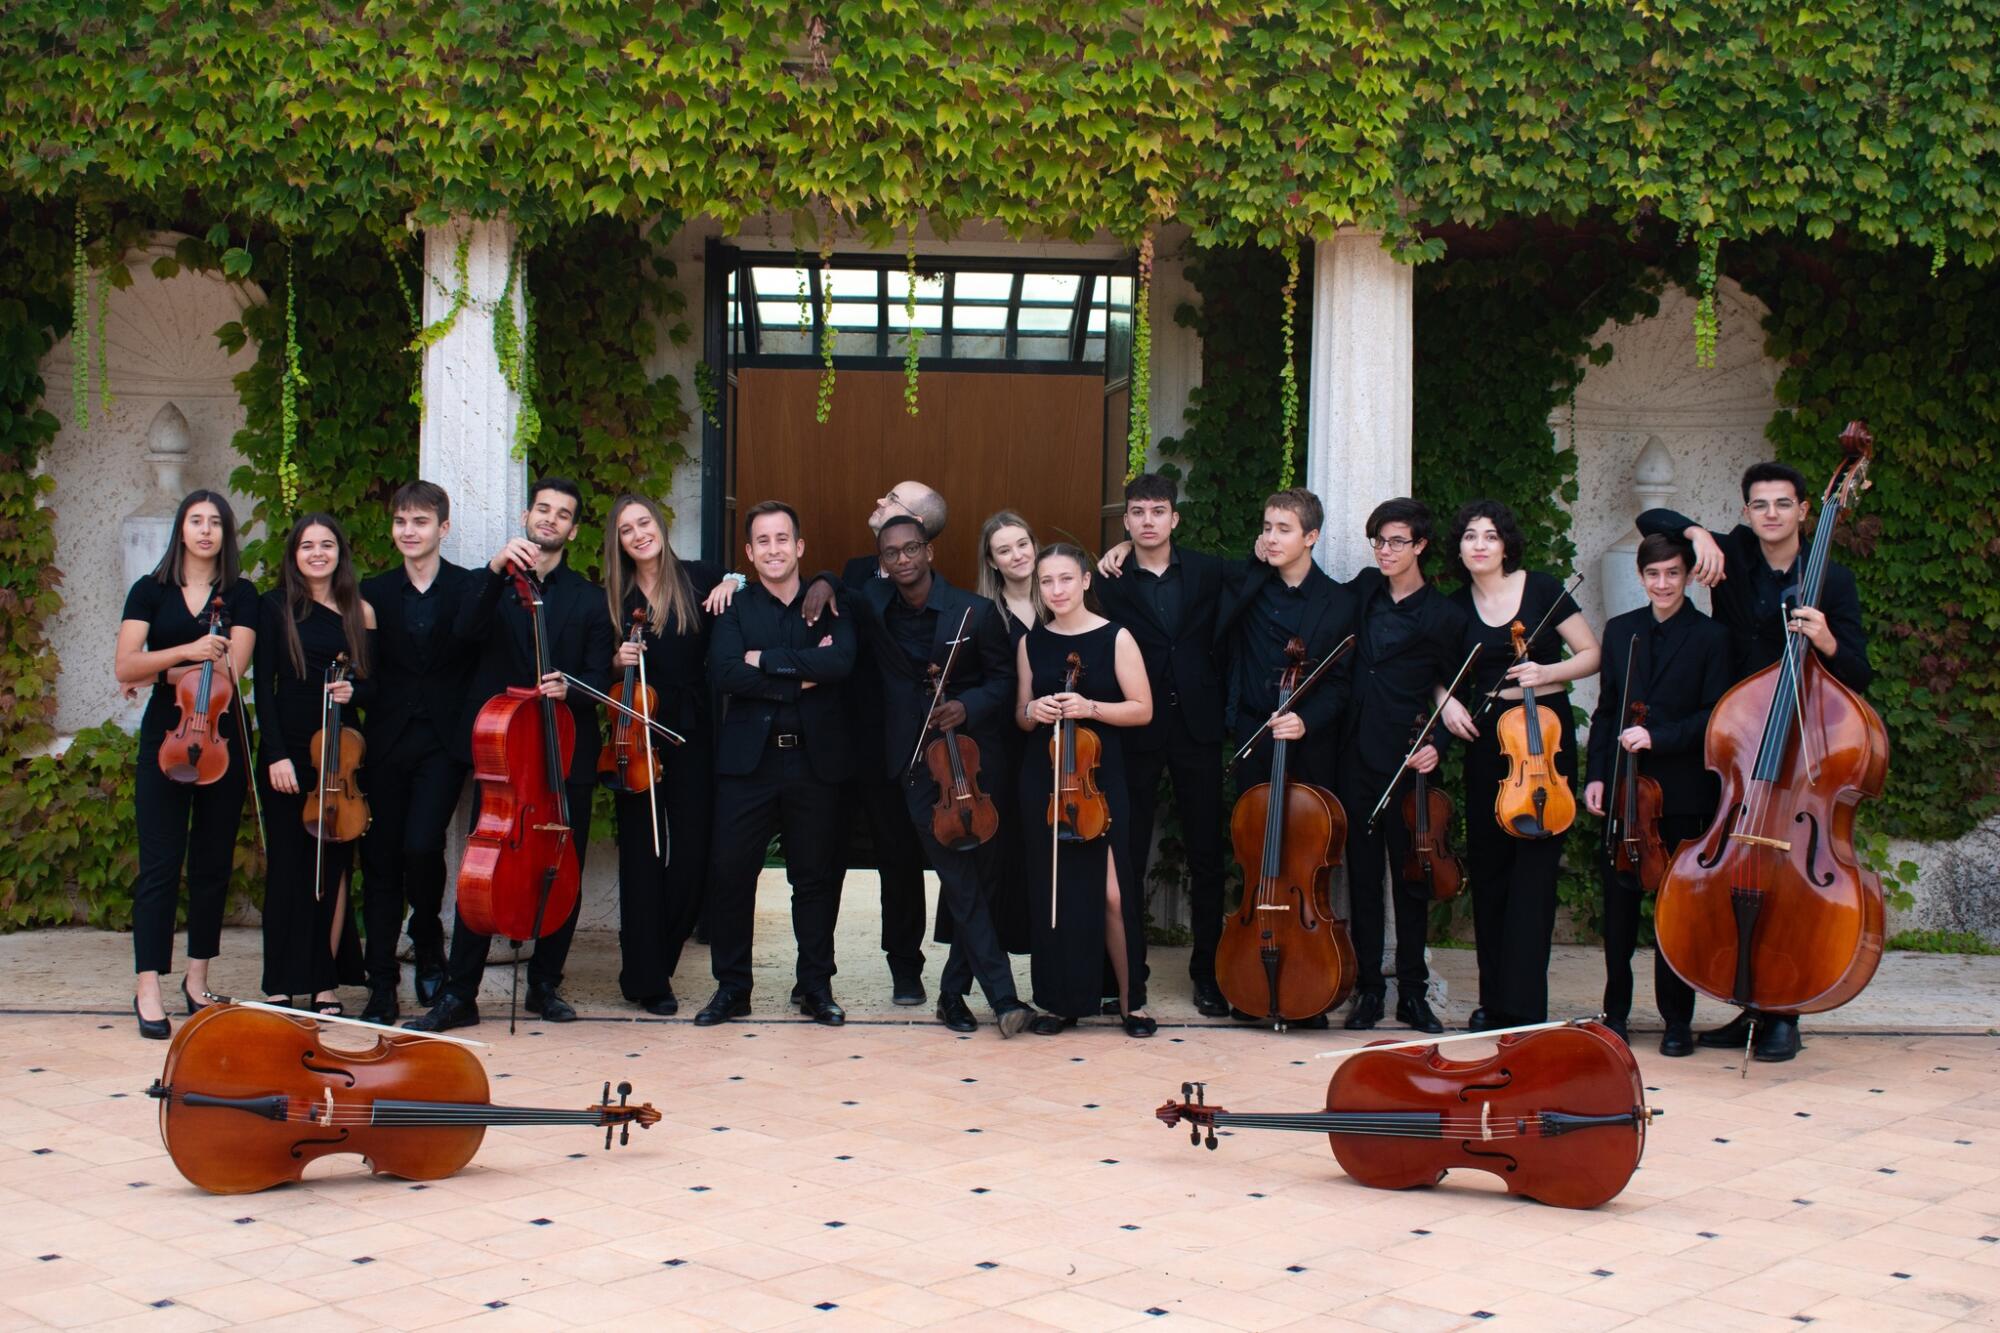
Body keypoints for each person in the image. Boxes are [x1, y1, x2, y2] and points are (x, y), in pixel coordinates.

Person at [1637, 460, 1872, 1062]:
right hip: (1741, 736)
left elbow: (1859, 673)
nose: (1771, 514)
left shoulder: (1834, 581)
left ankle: (1783, 1011)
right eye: (1760, 505)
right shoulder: (1734, 554)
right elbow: (1651, 518)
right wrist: (1696, 535)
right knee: (1738, 864)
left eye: (1782, 504)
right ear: (1747, 513)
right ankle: (1751, 1004)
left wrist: (1825, 641)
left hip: (1803, 741)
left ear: (1803, 510)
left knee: (1789, 878)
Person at [405, 477, 617, 1032]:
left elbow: (599, 676)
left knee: (558, 865)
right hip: (505, 757)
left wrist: (569, 686)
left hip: (564, 750)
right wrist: (497, 572)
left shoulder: (589, 600)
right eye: (542, 509)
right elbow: (461, 635)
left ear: (573, 529)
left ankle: (546, 985)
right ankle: (460, 994)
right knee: (485, 865)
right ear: (527, 515)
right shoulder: (489, 583)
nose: (550, 519)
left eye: (562, 514)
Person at [842, 516, 1032, 1036]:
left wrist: (965, 706)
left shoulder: (975, 612)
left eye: (911, 549)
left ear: (928, 551)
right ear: (881, 563)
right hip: (918, 770)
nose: (902, 559)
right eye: (891, 554)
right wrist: (817, 584)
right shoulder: (874, 608)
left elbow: (1003, 680)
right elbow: (837, 588)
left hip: (974, 765)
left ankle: (952, 995)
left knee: (983, 883)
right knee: (959, 878)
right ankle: (1004, 997)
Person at [1437, 500, 1600, 1030]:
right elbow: (1434, 670)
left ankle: (1526, 1006)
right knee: (1490, 871)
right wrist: (1447, 699)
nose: (1479, 544)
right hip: (1490, 743)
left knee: (1533, 876)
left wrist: (1546, 669)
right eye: (1469, 536)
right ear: (1459, 548)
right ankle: (1493, 1000)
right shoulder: (1455, 608)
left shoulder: (1545, 590)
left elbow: (1591, 654)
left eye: (1489, 535)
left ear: (1506, 544)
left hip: (1543, 737)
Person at [695, 501, 858, 1027]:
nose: (773, 550)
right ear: (748, 552)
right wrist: (801, 676)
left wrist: (761, 660)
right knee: (731, 875)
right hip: (749, 765)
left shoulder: (832, 603)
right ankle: (732, 989)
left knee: (812, 880)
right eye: (762, 541)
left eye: (782, 539)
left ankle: (815, 987)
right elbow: (724, 673)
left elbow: (841, 664)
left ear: (800, 546)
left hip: (815, 763)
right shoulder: (735, 607)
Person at [1212, 488, 1359, 1027]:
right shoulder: (1246, 586)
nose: (1271, 537)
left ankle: (1309, 979)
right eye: (1267, 526)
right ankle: (1249, 975)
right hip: (1254, 734)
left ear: (1311, 537)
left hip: (1309, 742)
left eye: (1283, 529)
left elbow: (1340, 683)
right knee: (1256, 856)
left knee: (1308, 860)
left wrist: (1308, 718)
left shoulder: (1340, 602)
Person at [114, 490, 258, 1039]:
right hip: (166, 735)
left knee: (212, 861)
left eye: (215, 522)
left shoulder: (241, 595)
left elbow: (231, 674)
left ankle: (197, 979)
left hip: (221, 733)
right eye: (196, 521)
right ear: (180, 529)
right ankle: (147, 982)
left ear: (225, 533)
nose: (205, 531)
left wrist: (156, 673)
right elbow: (125, 663)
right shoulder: (149, 591)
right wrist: (185, 653)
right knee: (158, 862)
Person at [1583, 531, 1731, 1055]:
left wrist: (1658, 735)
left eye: (1672, 573)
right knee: (1619, 913)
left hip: (1682, 793)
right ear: (1641, 577)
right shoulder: (1623, 632)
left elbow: (1714, 717)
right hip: (1626, 793)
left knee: (1674, 912)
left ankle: (1676, 1021)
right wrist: (1596, 775)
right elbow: (1606, 711)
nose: (1663, 583)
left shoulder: (1711, 637)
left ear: (1687, 575)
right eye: (1653, 574)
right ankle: (1615, 1014)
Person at [799, 480, 946, 1003]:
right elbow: (845, 593)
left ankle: (906, 967)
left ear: (920, 536)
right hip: (841, 741)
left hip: (897, 748)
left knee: (899, 858)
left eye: (892, 499)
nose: (879, 501)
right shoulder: (859, 569)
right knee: (823, 857)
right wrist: (823, 577)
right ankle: (813, 972)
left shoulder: (935, 594)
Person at [1090, 474, 1231, 1018]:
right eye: (1137, 512)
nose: (1148, 520)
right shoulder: (1109, 581)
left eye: (1158, 511)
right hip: (1135, 730)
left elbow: (1266, 580)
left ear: (1174, 518)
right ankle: (1127, 976)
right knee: (1127, 853)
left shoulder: (1209, 570)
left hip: (1197, 727)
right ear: (1125, 520)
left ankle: (1209, 976)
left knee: (1206, 855)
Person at [600, 493, 741, 1016]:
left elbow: (745, 582)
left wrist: (736, 582)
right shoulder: (614, 598)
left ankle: (658, 958)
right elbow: (595, 668)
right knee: (641, 858)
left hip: (693, 732)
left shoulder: (700, 577)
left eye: (644, 523)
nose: (639, 534)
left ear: (660, 524)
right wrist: (616, 660)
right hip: (635, 735)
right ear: (618, 542)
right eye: (626, 529)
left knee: (693, 858)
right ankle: (647, 976)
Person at [1333, 499, 1468, 1033]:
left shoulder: (1446, 615)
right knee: (1363, 878)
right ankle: (1369, 990)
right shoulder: (1364, 591)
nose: (1385, 552)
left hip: (1412, 759)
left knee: (1413, 880)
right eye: (1379, 542)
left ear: (1420, 546)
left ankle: (1412, 994)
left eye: (1396, 542)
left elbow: (1454, 692)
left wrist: (1438, 746)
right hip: (1356, 756)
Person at [1015, 543, 1156, 1037]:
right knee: (1056, 893)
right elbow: (1021, 714)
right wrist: (1035, 712)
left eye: (1066, 579)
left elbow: (1142, 709)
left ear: (1085, 582)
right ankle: (1059, 1001)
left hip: (1099, 780)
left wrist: (1089, 707)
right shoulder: (1032, 642)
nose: (1056, 590)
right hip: (1047, 781)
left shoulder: (1115, 637)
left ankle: (1129, 1002)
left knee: (1113, 896)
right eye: (1047, 581)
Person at [356, 482, 476, 1023]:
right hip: (385, 740)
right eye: (402, 522)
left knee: (421, 846)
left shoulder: (466, 588)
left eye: (420, 522)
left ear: (442, 529)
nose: (410, 531)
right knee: (379, 859)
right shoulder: (373, 591)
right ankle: (380, 983)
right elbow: (365, 668)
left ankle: (427, 934)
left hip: (443, 743)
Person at [254, 513, 377, 1012]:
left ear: (340, 554)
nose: (318, 553)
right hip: (291, 747)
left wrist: (355, 688)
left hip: (341, 755)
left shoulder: (359, 611)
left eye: (327, 545)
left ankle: (324, 982)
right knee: (288, 865)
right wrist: (277, 753)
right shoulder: (274, 607)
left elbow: (375, 683)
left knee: (336, 867)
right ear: (294, 554)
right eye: (308, 546)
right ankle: (281, 981)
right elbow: (263, 686)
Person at [969, 508, 1042, 954]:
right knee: (1002, 846)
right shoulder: (982, 614)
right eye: (1004, 550)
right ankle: (992, 952)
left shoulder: (1062, 595)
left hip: (1060, 742)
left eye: (1022, 544)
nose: (1017, 555)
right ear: (992, 561)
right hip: (1003, 742)